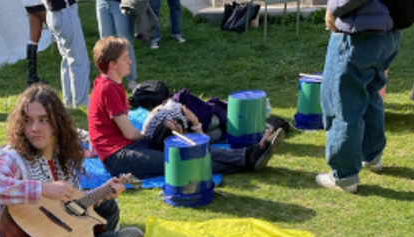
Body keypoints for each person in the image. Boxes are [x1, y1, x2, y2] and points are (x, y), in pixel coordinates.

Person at [0, 84, 143, 237]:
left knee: (109, 206)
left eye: (43, 120)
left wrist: (104, 191)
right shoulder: (14, 157)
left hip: (62, 236)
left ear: (57, 123)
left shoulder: (61, 154)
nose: (35, 128)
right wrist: (41, 189)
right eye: (28, 121)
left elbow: (71, 206)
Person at [87, 37, 283, 179]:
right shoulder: (108, 89)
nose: (129, 61)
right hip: (119, 157)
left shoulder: (110, 83)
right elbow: (129, 133)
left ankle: (248, 155)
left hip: (127, 148)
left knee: (187, 147)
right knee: (184, 159)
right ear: (112, 64)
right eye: (125, 58)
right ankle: (248, 159)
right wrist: (150, 135)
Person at [316, 0, 401, 193]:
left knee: (341, 101)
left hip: (358, 31)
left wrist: (333, 7)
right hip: (389, 29)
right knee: (371, 94)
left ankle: (343, 175)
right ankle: (372, 155)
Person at [40, 0, 91, 109]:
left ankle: (69, 100)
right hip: (63, 10)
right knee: (78, 59)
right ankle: (80, 101)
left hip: (54, 11)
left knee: (68, 59)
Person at [96, 0, 139, 91]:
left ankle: (131, 79)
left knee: (125, 42)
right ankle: (108, 78)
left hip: (120, 0)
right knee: (105, 43)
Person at [23, 0, 48, 86]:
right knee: (61, 34)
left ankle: (32, 76)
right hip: (40, 0)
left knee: (33, 37)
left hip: (28, 0)